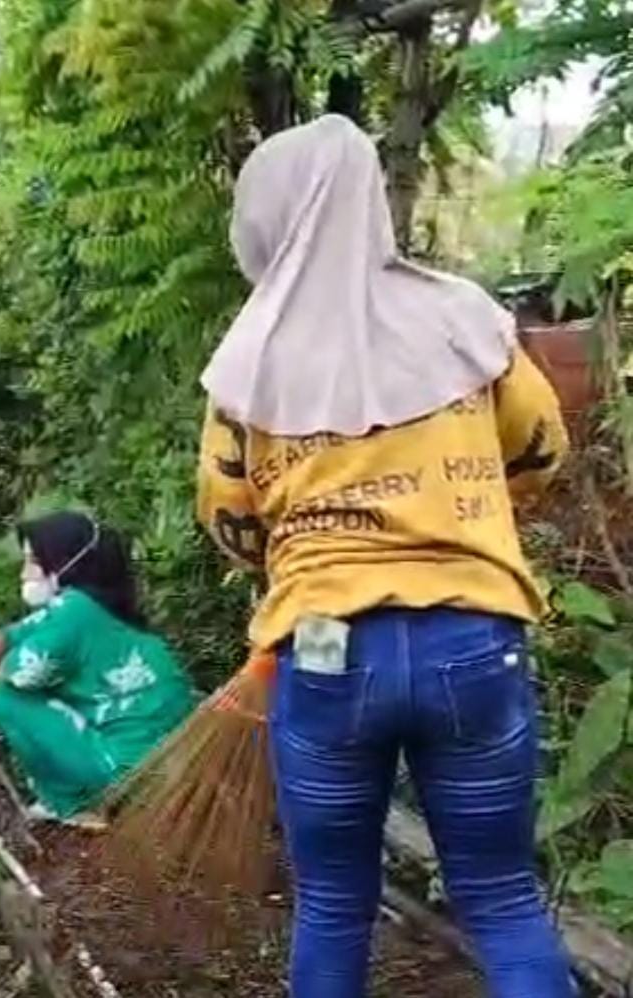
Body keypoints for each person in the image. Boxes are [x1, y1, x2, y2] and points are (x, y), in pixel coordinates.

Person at [196, 115, 574, 998]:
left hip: (325, 643)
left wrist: (301, 557)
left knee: (332, 905)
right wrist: (468, 517)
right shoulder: (464, 319)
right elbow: (542, 446)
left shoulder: (251, 359)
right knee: (502, 898)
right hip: (473, 635)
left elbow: (229, 517)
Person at [0, 511, 195, 825]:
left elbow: (16, 672)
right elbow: (13, 635)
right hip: (176, 761)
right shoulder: (91, 606)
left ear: (66, 563)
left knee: (8, 696)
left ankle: (76, 802)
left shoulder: (73, 613)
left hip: (127, 771)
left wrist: (0, 664)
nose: (25, 573)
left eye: (34, 561)